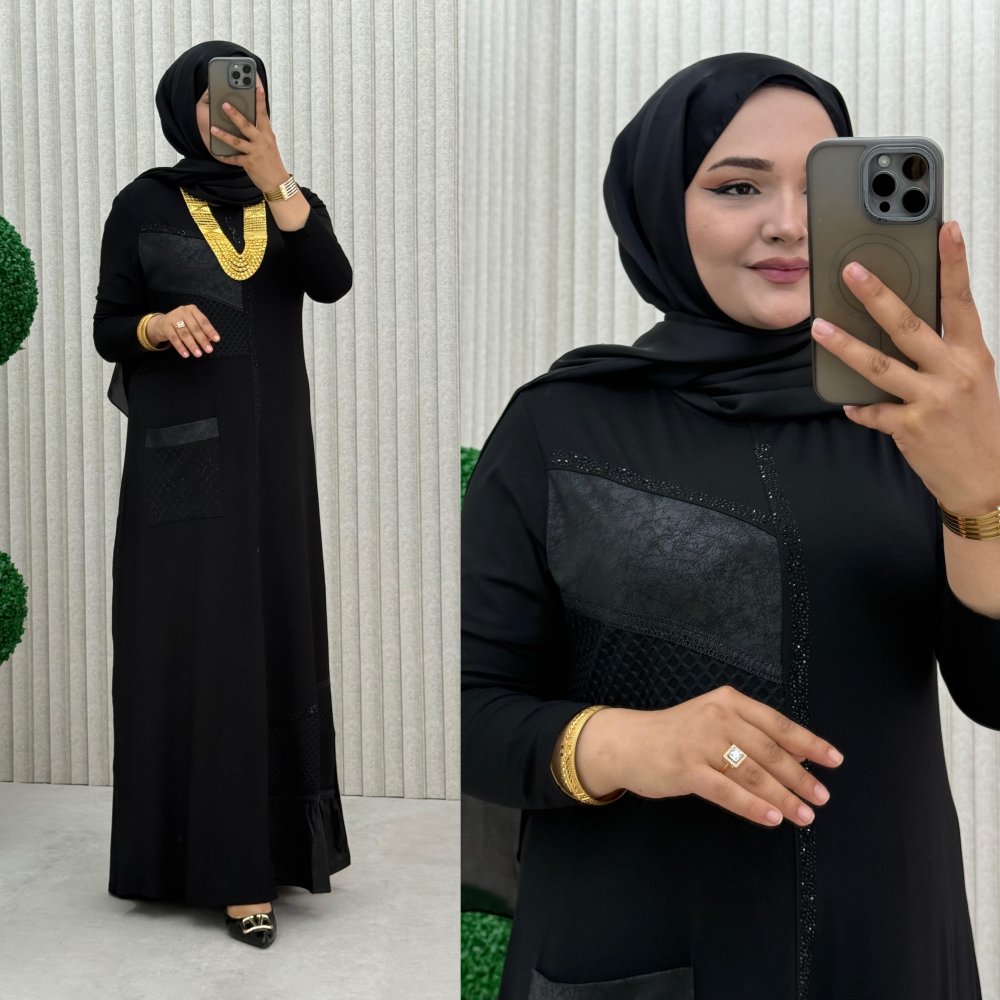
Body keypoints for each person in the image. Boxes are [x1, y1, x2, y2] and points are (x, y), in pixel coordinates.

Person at [461, 52, 1000, 999]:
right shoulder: (560, 427)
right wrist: (635, 744)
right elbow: (470, 710)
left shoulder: (918, 423)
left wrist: (979, 492)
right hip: (635, 939)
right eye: (738, 185)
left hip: (885, 941)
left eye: (819, 188)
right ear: (659, 206)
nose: (789, 223)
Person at [93, 41, 352, 948]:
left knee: (270, 638)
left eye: (249, 94)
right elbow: (108, 326)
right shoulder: (142, 204)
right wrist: (157, 324)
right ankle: (209, 866)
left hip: (275, 470)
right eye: (214, 97)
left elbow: (331, 280)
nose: (231, 111)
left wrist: (277, 178)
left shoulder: (290, 202)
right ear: (183, 106)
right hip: (180, 471)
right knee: (198, 647)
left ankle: (266, 853)